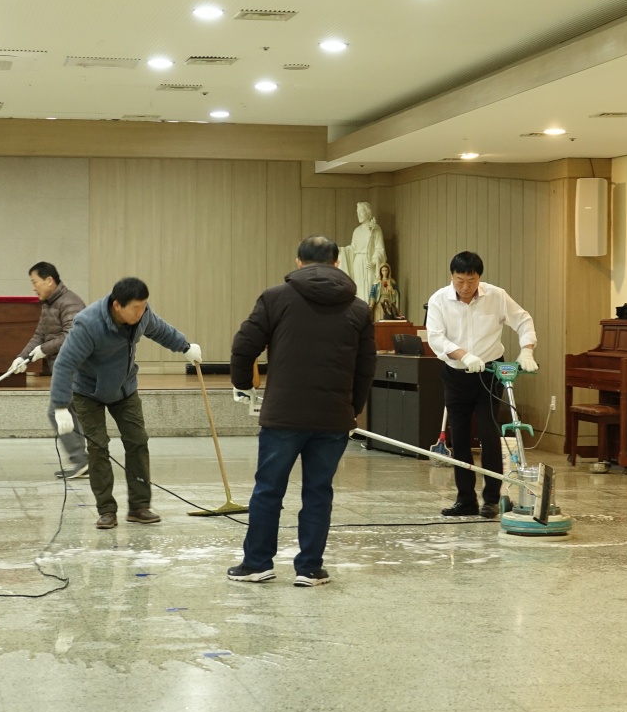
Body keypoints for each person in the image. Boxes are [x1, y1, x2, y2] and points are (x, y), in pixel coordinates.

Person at [226, 236, 375, 586]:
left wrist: (243, 385)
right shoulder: (358, 308)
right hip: (333, 416)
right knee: (319, 491)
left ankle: (257, 563)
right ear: (337, 263)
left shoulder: (275, 297)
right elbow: (366, 366)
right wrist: (352, 408)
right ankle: (309, 568)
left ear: (298, 262)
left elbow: (244, 345)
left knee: (268, 489)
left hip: (283, 415)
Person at [49, 277, 202, 529]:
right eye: (136, 308)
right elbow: (65, 364)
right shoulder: (88, 323)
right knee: (98, 447)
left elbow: (161, 330)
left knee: (138, 440)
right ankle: (106, 510)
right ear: (117, 305)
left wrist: (185, 346)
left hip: (124, 388)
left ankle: (139, 507)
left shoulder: (142, 316)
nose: (141, 312)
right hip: (88, 391)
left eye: (144, 306)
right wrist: (60, 405)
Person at [426, 251, 538, 517]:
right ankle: (465, 500)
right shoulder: (439, 300)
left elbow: (523, 320)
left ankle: (491, 499)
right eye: (460, 281)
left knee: (489, 435)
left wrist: (527, 350)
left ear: (479, 278)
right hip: (456, 374)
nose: (465, 287)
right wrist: (463, 355)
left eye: (471, 281)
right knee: (460, 438)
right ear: (452, 276)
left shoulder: (496, 296)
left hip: (489, 374)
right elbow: (436, 338)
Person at [8, 261, 88, 480]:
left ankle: (81, 459)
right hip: (63, 368)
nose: (33, 288)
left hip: (75, 367)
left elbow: (72, 335)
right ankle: (83, 460)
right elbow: (40, 335)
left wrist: (44, 350)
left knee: (57, 411)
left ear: (49, 280)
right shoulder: (49, 303)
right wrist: (22, 357)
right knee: (69, 413)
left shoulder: (70, 302)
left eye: (35, 282)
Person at [342, 201, 387, 303]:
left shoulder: (375, 229)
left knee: (370, 288)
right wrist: (343, 251)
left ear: (368, 212)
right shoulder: (356, 231)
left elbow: (380, 249)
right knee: (359, 288)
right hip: (357, 262)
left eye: (361, 212)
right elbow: (353, 248)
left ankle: (370, 309)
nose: (358, 215)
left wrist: (374, 261)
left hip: (368, 262)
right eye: (357, 212)